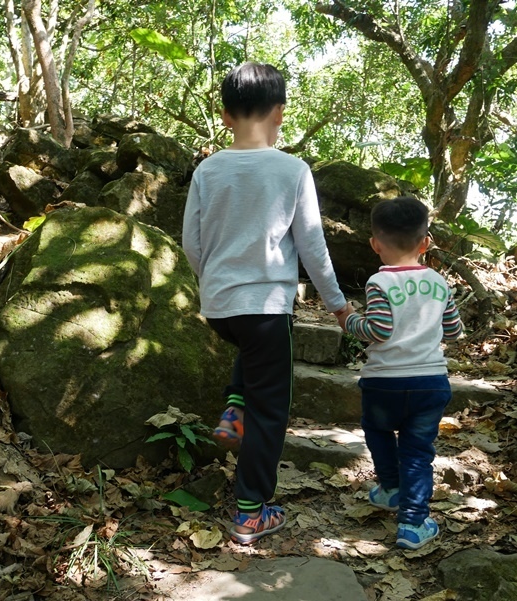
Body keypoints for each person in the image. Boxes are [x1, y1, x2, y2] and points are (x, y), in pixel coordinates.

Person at [182, 62, 353, 545]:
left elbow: (191, 242)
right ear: (280, 113)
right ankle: (252, 510)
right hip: (266, 307)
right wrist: (338, 306)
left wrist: (212, 281)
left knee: (249, 355)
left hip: (221, 308)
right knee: (272, 411)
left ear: (224, 115)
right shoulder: (293, 171)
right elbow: (313, 248)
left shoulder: (208, 169)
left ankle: (235, 406)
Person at [336, 196, 463, 550]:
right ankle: (413, 522)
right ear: (425, 243)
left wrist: (349, 319)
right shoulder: (439, 283)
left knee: (378, 432)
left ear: (375, 244)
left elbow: (377, 330)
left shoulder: (380, 283)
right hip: (429, 383)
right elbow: (453, 331)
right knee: (418, 452)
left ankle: (391, 488)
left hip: (384, 383)